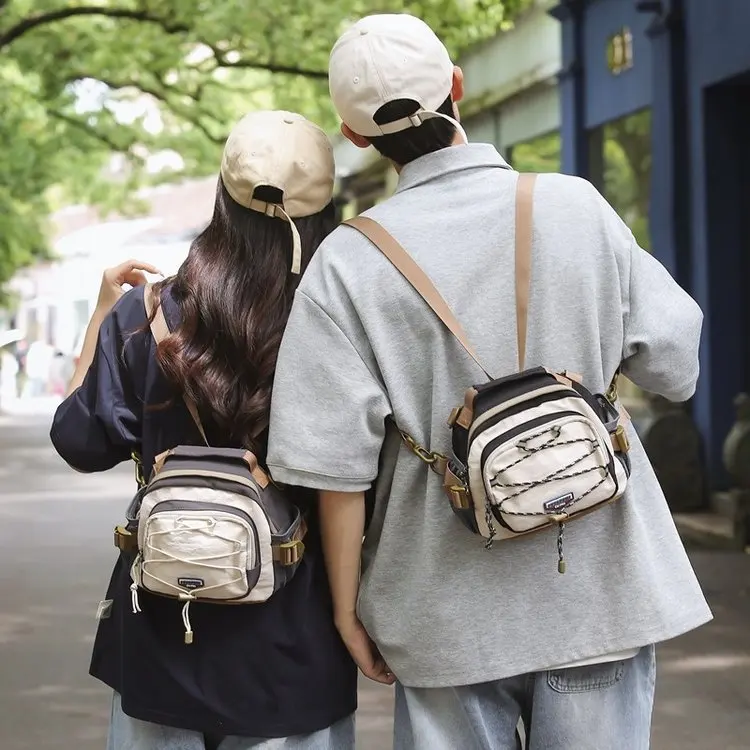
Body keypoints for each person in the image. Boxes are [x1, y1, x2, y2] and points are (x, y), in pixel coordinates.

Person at [266, 13, 712, 750]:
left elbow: (332, 469)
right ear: (457, 89)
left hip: (442, 610)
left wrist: (349, 610)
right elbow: (678, 368)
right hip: (599, 594)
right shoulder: (575, 206)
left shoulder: (347, 262)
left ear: (354, 137)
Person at [50, 111, 357, 750]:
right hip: (291, 641)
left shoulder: (150, 312)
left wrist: (103, 314)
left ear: (222, 194)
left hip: (161, 624)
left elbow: (79, 441)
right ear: (327, 206)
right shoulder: (340, 318)